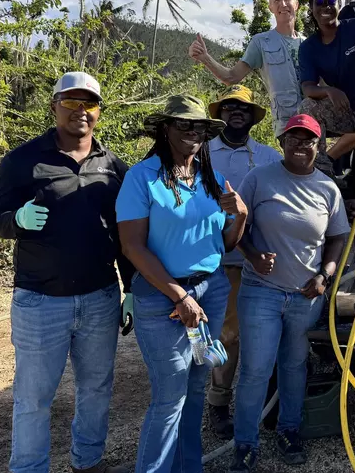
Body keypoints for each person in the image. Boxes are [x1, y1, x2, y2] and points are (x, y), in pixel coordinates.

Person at [0, 71, 133, 473]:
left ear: (99, 112)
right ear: (53, 107)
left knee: (97, 389)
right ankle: (29, 468)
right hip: (39, 301)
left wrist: (130, 286)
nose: (80, 111)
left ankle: (88, 462)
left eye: (89, 104)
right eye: (70, 102)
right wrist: (17, 219)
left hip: (100, 298)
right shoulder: (22, 161)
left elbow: (125, 232)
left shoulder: (114, 166)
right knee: (33, 398)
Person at [116, 95, 248, 473]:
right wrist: (178, 295)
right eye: (184, 125)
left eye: (200, 127)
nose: (193, 132)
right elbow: (131, 246)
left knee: (193, 393)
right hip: (164, 299)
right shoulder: (142, 178)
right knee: (169, 398)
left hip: (211, 290)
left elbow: (221, 244)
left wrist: (240, 216)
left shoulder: (210, 179)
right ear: (165, 129)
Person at [228, 114, 350, 472]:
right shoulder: (258, 179)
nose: (301, 145)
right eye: (293, 138)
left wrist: (325, 276)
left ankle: (289, 431)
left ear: (319, 145)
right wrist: (252, 254)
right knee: (255, 370)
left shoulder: (328, 188)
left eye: (309, 139)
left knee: (294, 366)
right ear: (281, 142)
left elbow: (338, 236)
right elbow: (238, 226)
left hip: (306, 296)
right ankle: (245, 444)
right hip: (261, 292)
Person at [203, 85, 282, 437]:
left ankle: (267, 403)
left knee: (265, 334)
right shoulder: (202, 153)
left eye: (244, 108)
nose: (237, 111)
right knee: (228, 336)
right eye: (230, 106)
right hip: (222, 259)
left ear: (252, 117)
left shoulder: (267, 155)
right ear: (220, 114)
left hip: (262, 259)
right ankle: (218, 403)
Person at [189, 0, 303, 136]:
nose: (282, 4)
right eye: (276, 0)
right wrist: (205, 58)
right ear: (270, 8)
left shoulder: (309, 43)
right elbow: (231, 77)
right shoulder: (261, 42)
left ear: (296, 5)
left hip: (313, 121)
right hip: (287, 125)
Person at [298, 0, 355, 174]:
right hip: (345, 111)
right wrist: (329, 91)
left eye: (331, 1)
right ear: (311, 7)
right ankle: (319, 169)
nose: (325, 7)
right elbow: (307, 87)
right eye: (319, 2)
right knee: (307, 107)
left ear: (340, 5)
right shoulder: (308, 47)